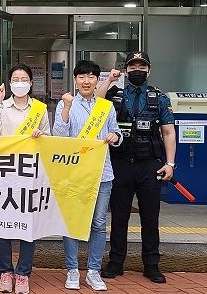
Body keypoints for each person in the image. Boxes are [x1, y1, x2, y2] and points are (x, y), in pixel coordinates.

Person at [95, 52, 176, 283]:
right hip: (121, 163)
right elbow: (95, 105)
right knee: (119, 217)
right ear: (126, 70)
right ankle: (115, 262)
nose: (137, 70)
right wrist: (109, 80)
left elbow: (168, 132)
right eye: (132, 67)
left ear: (149, 70)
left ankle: (151, 265)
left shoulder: (160, 98)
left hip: (150, 165)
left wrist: (170, 164)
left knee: (150, 218)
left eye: (142, 66)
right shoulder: (114, 95)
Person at [52, 60, 121, 291]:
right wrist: (65, 108)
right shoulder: (67, 103)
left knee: (99, 223)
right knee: (72, 222)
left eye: (91, 76)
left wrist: (115, 137)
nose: (86, 81)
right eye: (82, 76)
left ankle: (93, 271)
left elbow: (117, 133)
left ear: (97, 80)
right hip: (75, 174)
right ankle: (72, 270)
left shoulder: (106, 107)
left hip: (102, 173)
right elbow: (58, 136)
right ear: (75, 80)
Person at [0, 63, 50, 294]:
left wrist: (41, 136)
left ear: (31, 83)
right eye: (15, 79)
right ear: (9, 82)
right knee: (4, 225)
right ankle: (5, 271)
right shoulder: (3, 106)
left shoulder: (40, 109)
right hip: (5, 174)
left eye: (24, 79)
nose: (20, 83)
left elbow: (48, 139)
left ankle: (23, 273)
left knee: (27, 226)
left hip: (29, 174)